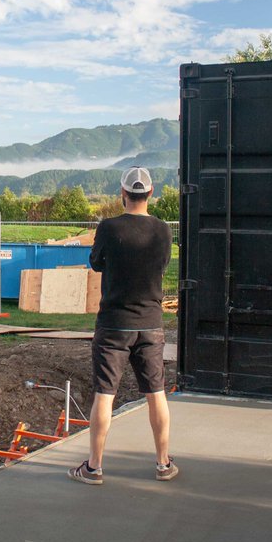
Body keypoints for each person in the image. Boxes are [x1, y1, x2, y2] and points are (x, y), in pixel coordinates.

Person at [68, 166, 177, 485]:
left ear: (123, 194)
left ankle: (94, 467)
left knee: (104, 394)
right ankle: (162, 464)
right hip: (150, 324)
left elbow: (96, 262)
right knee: (156, 393)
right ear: (151, 194)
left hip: (114, 325)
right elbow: (163, 263)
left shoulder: (108, 227)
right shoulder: (162, 230)